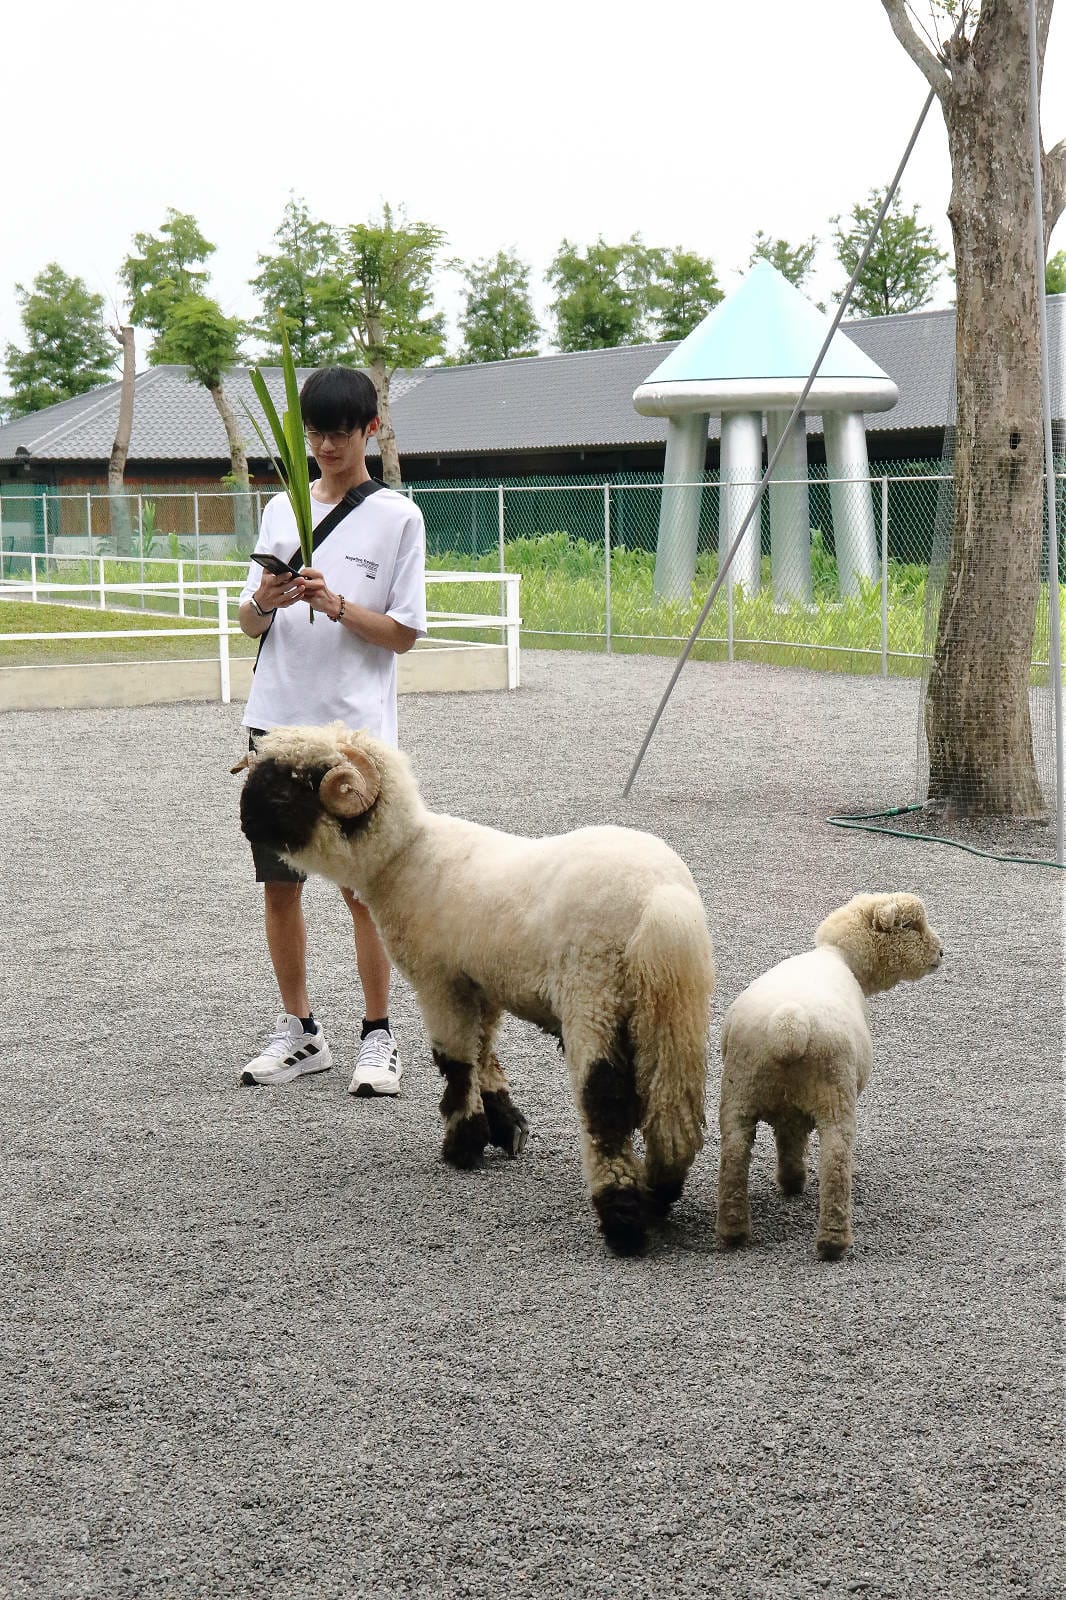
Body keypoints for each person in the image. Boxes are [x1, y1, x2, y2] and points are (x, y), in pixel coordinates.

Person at [236, 366, 427, 1096]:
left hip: (352, 737)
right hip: (276, 723)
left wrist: (340, 604)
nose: (326, 448)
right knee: (278, 886)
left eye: (339, 434)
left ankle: (378, 1037)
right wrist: (267, 598)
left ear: (369, 432)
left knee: (363, 891)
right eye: (314, 434)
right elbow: (248, 623)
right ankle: (300, 1030)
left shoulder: (397, 517)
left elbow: (404, 635)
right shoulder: (282, 509)